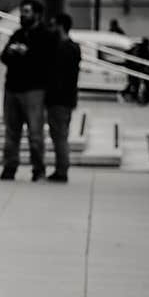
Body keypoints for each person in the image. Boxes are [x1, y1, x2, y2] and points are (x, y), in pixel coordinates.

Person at [0, 0, 52, 182]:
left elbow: (45, 62)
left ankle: (38, 169)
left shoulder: (45, 35)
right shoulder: (17, 34)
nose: (22, 14)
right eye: (22, 11)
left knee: (35, 134)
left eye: (27, 11)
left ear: (36, 14)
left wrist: (26, 53)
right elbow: (3, 57)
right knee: (11, 132)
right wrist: (12, 52)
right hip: (12, 89)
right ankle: (9, 167)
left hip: (33, 90)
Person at [45, 13, 81, 183]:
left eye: (53, 25)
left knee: (59, 136)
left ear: (60, 26)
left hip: (58, 99)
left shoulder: (61, 48)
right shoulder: (73, 47)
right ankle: (62, 168)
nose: (50, 28)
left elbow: (57, 75)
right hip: (67, 98)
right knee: (61, 135)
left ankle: (61, 170)